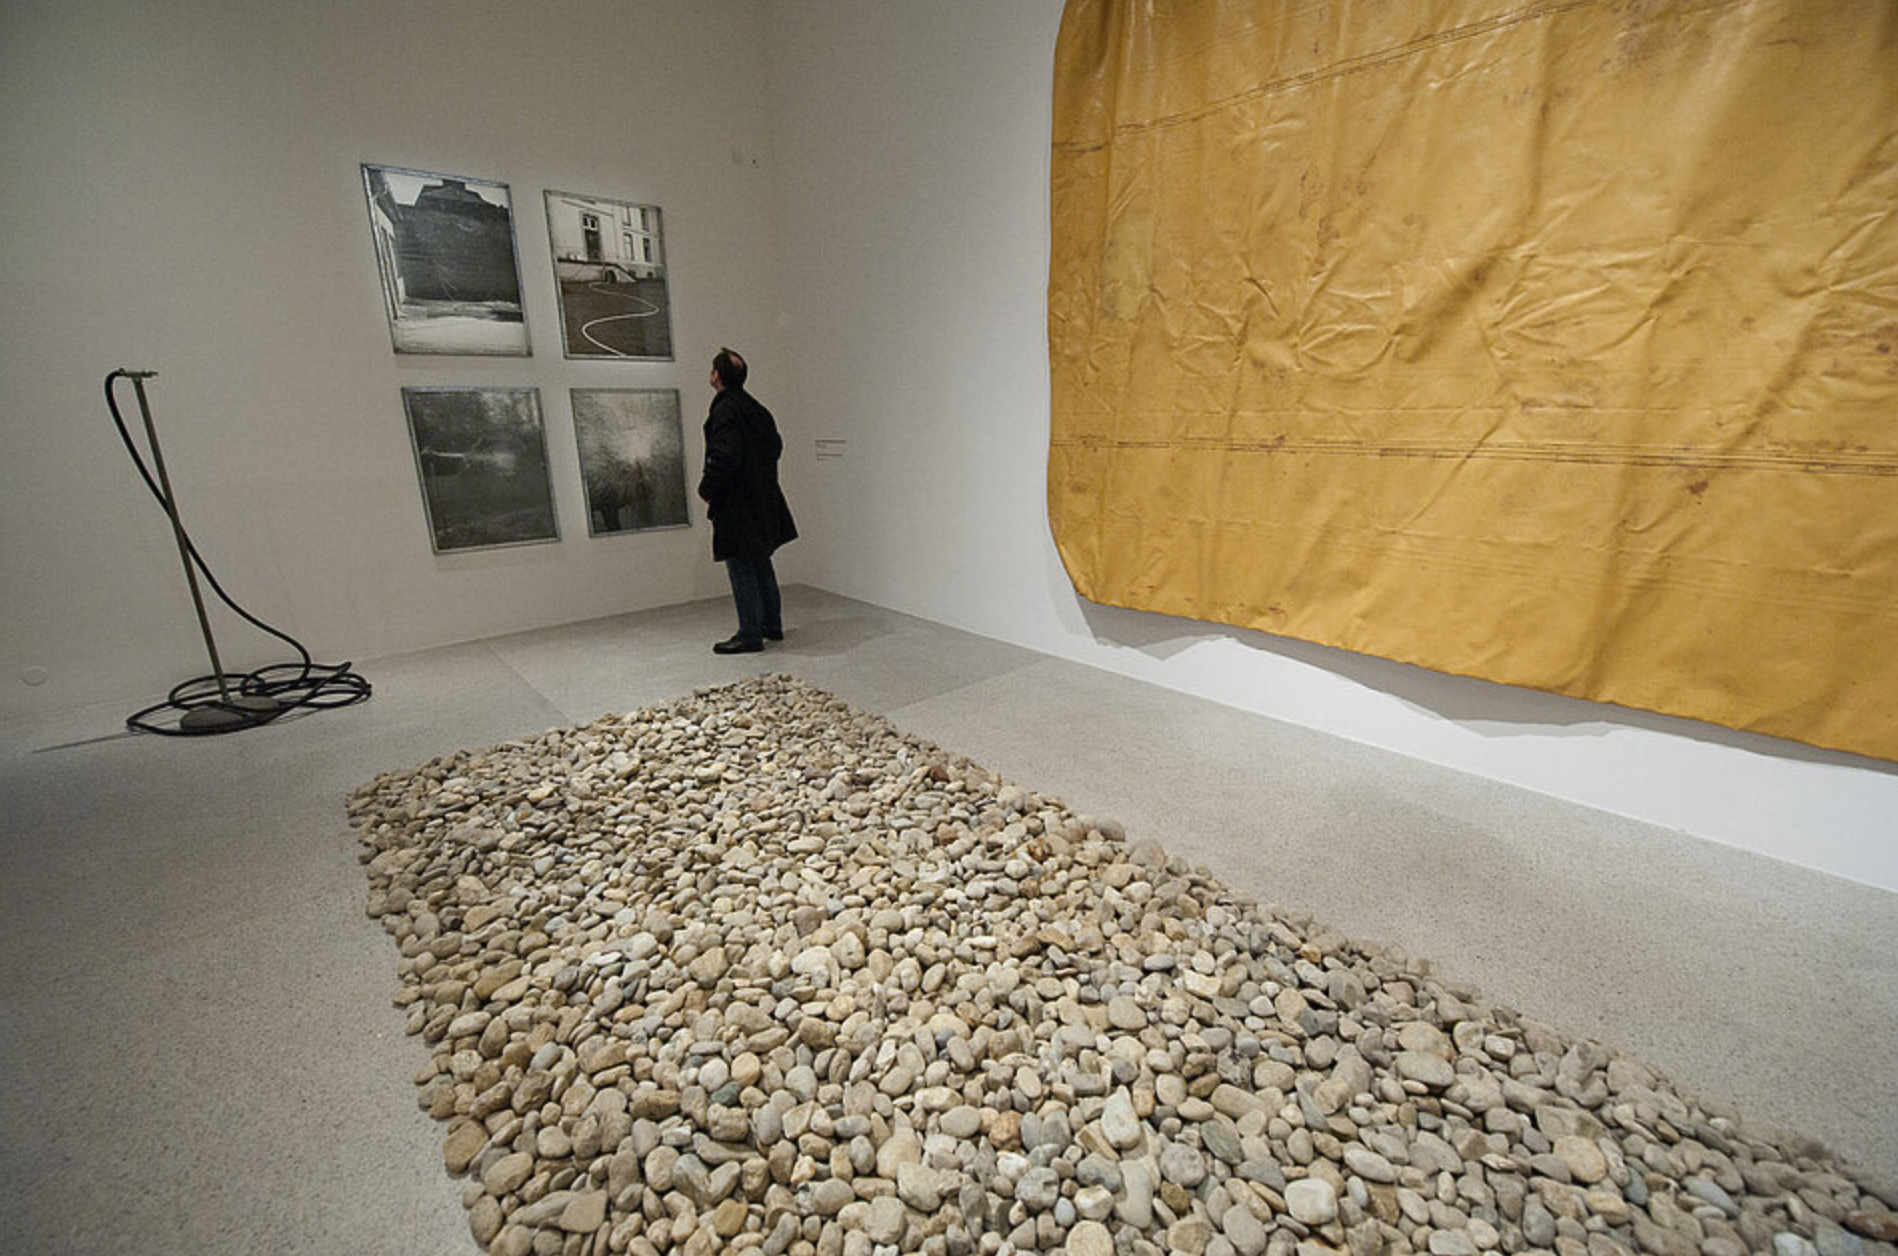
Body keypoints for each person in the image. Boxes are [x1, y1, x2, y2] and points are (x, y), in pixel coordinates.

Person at [697, 347, 797, 654]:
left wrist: (707, 489)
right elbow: (776, 447)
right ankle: (771, 625)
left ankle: (750, 633)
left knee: (740, 564)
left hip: (737, 503)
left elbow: (725, 457)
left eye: (712, 369)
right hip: (761, 498)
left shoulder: (726, 409)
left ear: (716, 375)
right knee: (760, 561)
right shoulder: (757, 409)